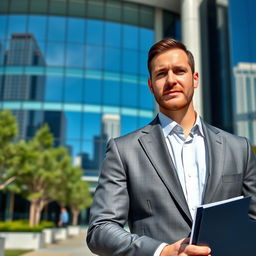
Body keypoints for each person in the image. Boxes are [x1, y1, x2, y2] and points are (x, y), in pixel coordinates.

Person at [86, 38, 256, 256]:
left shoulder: (238, 148)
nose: (171, 80)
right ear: (150, 85)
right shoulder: (123, 151)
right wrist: (162, 251)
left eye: (179, 71)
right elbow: (100, 230)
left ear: (195, 79)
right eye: (161, 74)